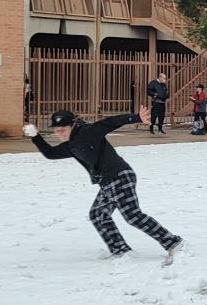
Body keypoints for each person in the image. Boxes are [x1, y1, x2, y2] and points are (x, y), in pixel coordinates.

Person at [25, 106, 185, 263]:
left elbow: (110, 122)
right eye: (56, 130)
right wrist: (35, 137)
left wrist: (136, 117)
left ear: (73, 124)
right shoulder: (71, 145)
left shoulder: (87, 132)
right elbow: (50, 154)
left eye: (62, 129)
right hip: (107, 182)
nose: (59, 133)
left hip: (119, 176)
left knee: (132, 215)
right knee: (98, 215)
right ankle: (120, 250)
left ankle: (173, 243)